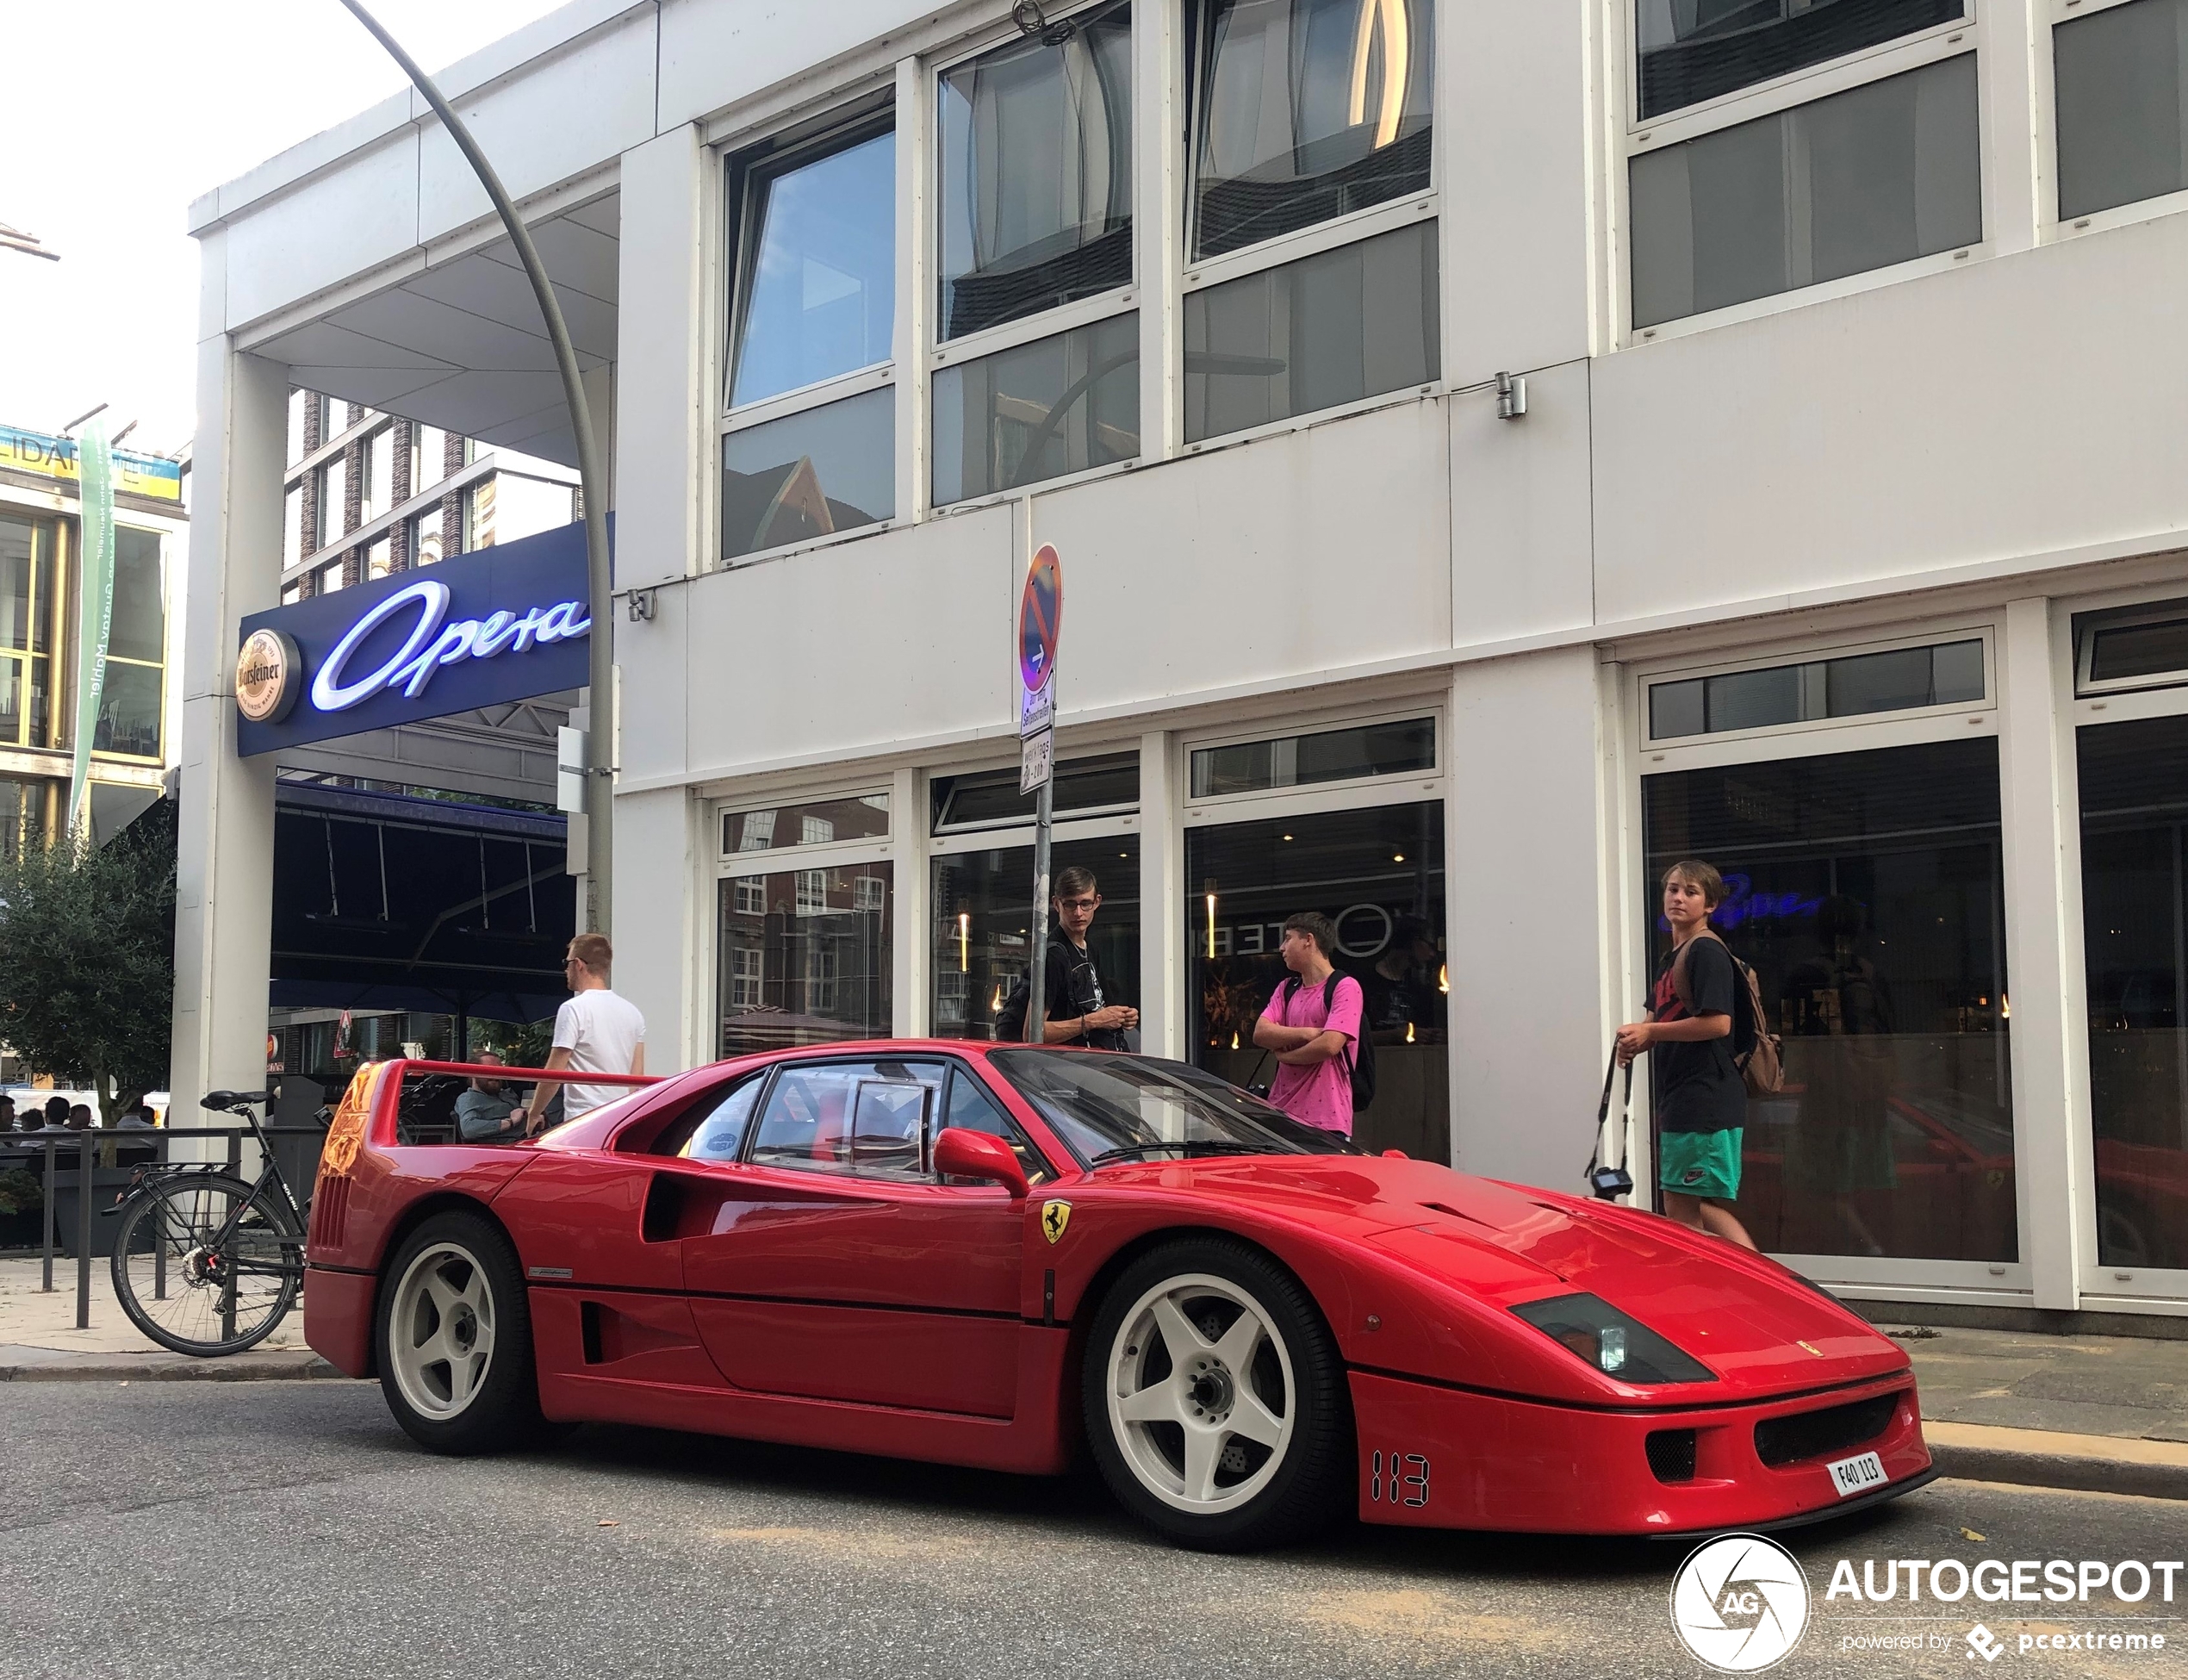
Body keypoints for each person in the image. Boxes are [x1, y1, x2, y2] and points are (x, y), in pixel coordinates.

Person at [1616, 859, 1757, 1250]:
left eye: (1691, 892)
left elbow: (1719, 1024)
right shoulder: (1670, 958)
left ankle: (1752, 1284)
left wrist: (1650, 1031)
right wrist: (1635, 1040)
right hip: (1681, 1098)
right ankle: (1753, 1280)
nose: (1678, 897)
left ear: (1709, 905)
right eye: (1673, 889)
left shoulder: (1706, 952)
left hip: (1705, 1096)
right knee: (1680, 1201)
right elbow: (1655, 1021)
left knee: (1682, 1209)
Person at [1251, 912, 1364, 1136]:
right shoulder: (1286, 988)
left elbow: (1329, 1045)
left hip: (1326, 1120)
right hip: (1280, 1114)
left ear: (1308, 941)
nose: (1282, 948)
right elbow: (1260, 1033)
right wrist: (1307, 1033)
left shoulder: (1345, 987)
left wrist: (1285, 1056)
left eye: (1288, 938)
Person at [1005, 866, 1139, 1049]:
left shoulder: (1090, 947)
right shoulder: (1054, 956)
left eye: (1085, 904)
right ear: (1056, 904)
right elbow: (1032, 1033)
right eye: (1070, 904)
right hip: (1064, 1068)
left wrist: (1123, 1016)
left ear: (1097, 902)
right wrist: (1094, 1021)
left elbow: (1103, 1008)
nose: (1078, 913)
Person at [522, 934, 645, 1130]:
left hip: (583, 1119)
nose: (565, 969)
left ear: (578, 964)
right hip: (619, 1118)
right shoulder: (633, 1013)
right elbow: (636, 1077)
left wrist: (534, 1114)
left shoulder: (573, 1009)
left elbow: (554, 1073)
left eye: (567, 962)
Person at [455, 1051, 526, 1142]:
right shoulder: (469, 1098)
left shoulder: (506, 1094)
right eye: (489, 1071)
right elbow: (469, 1128)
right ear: (472, 1073)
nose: (495, 1076)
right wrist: (510, 1122)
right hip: (507, 1147)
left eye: (499, 1071)